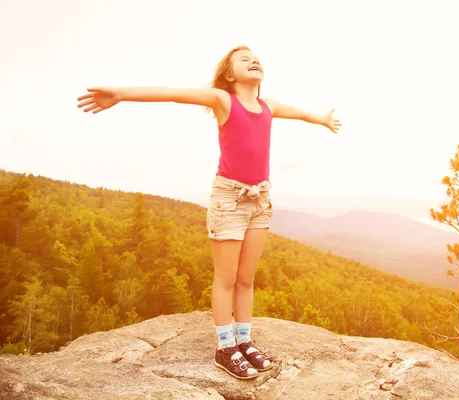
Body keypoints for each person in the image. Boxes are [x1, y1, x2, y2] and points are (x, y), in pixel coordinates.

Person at [77, 45, 341, 380]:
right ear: (230, 74)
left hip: (260, 199)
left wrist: (322, 119)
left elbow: (299, 113)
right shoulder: (223, 100)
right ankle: (224, 347)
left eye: (256, 57)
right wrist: (121, 93)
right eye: (244, 59)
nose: (254, 60)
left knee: (246, 278)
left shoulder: (267, 106)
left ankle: (244, 341)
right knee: (226, 278)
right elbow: (173, 94)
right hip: (229, 199)